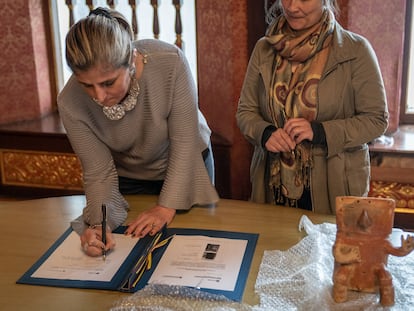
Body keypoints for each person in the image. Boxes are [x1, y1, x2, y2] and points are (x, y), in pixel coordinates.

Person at [58, 7, 219, 257]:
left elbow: (184, 142)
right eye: (86, 85)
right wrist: (99, 224)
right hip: (129, 174)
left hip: (186, 164)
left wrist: (166, 207)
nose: (99, 97)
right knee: (134, 250)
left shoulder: (170, 62)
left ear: (132, 60)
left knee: (190, 248)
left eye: (108, 82)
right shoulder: (69, 101)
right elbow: (99, 172)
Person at [236, 0, 388, 213]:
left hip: (335, 186)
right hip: (272, 186)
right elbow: (245, 112)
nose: (291, 6)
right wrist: (265, 133)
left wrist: (320, 131)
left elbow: (376, 120)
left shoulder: (356, 50)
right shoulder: (264, 48)